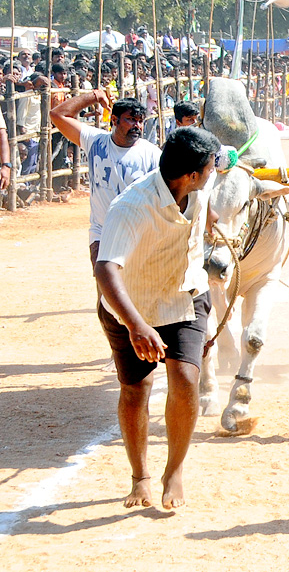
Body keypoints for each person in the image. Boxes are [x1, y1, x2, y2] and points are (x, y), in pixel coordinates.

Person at [94, 126, 221, 509]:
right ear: (191, 176)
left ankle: (175, 470)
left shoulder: (199, 184)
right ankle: (141, 477)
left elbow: (228, 159)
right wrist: (136, 325)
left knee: (185, 378)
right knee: (137, 390)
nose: (217, 170)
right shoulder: (130, 207)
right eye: (212, 167)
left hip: (184, 294)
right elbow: (105, 271)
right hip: (131, 306)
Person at [50, 91, 160, 267]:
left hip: (138, 235)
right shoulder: (95, 142)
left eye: (140, 121)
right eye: (130, 119)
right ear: (114, 120)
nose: (137, 126)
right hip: (102, 234)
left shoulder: (152, 155)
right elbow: (57, 114)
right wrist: (94, 96)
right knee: (105, 292)